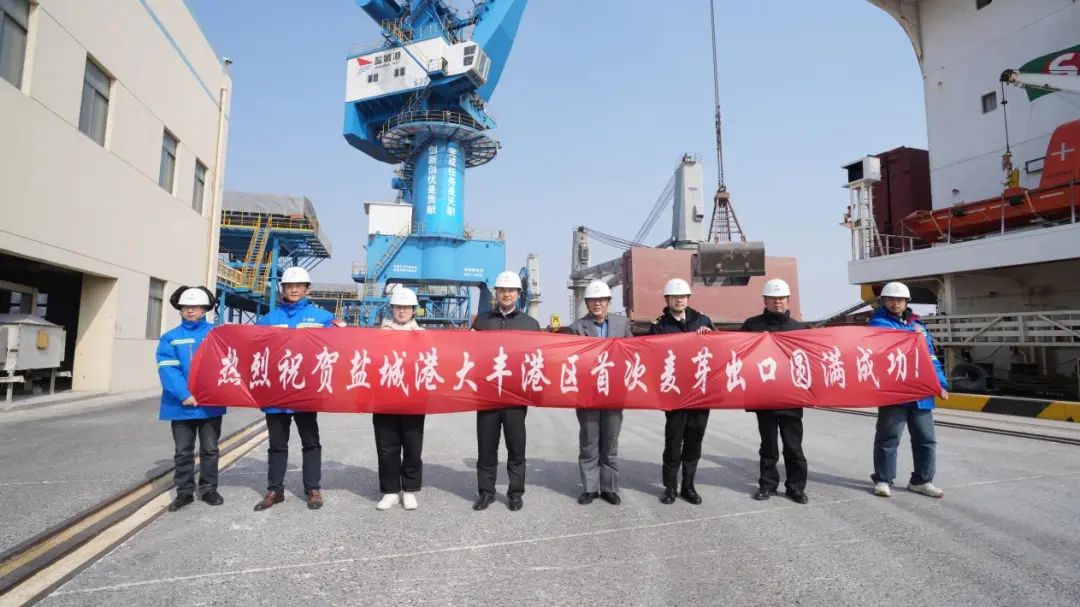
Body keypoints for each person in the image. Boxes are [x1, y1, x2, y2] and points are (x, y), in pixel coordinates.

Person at [253, 267, 336, 512]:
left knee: (311, 442)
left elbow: (338, 348)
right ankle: (274, 490)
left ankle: (313, 488)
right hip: (276, 393)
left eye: (299, 286)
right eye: (289, 286)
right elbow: (254, 351)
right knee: (277, 445)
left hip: (305, 391)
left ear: (307, 289)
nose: (294, 290)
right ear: (283, 289)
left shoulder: (322, 318)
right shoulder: (268, 320)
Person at [869, 281, 950, 498]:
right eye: (890, 300)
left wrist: (940, 384)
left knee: (926, 439)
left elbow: (931, 358)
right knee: (889, 438)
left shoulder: (919, 327)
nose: (895, 303)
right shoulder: (878, 325)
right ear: (883, 301)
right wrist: (913, 334)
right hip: (894, 392)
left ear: (906, 302)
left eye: (900, 300)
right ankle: (883, 479)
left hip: (921, 393)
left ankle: (922, 481)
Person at [470, 271, 541, 512]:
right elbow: (468, 353)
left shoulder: (530, 325)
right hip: (487, 396)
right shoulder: (482, 322)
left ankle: (515, 493)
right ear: (496, 293)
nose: (507, 294)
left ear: (518, 294)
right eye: (502, 290)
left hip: (514, 397)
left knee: (516, 448)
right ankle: (486, 493)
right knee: (486, 448)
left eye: (511, 291)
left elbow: (539, 358)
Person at [156, 286, 226, 512]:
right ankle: (184, 492)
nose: (190, 310)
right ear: (180, 309)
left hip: (210, 405)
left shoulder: (217, 334)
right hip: (181, 405)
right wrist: (184, 394)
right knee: (183, 451)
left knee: (210, 450)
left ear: (205, 309)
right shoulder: (170, 338)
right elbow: (168, 369)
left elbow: (227, 364)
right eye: (186, 307)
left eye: (195, 307)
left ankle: (208, 489)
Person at [740, 278, 809, 504]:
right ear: (765, 300)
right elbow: (737, 351)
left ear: (788, 300)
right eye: (772, 298)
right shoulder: (752, 325)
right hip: (765, 397)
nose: (777, 302)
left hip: (791, 397)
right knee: (768, 445)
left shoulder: (798, 329)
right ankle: (767, 485)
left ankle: (796, 487)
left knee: (793, 446)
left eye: (781, 298)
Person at [649, 278, 713, 505]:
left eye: (683, 296)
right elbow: (652, 358)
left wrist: (710, 335)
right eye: (675, 297)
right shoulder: (659, 326)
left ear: (688, 298)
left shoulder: (702, 320)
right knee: (674, 442)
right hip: (674, 394)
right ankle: (670, 488)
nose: (679, 300)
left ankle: (689, 486)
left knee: (694, 441)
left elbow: (718, 350)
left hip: (699, 393)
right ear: (667, 300)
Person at [568, 280, 633, 506]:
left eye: (601, 300)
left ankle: (609, 488)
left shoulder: (622, 324)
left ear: (608, 302)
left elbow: (632, 352)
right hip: (589, 394)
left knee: (610, 441)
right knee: (589, 441)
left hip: (614, 392)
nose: (597, 304)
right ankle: (589, 488)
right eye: (593, 300)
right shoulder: (577, 327)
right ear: (586, 303)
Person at [373, 287, 426, 511]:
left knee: (412, 445)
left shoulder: (423, 335)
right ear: (392, 309)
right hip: (384, 398)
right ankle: (390, 491)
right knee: (387, 446)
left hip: (413, 398)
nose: (402, 311)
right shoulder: (379, 334)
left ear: (414, 310)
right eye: (397, 307)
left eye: (406, 307)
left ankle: (410, 490)